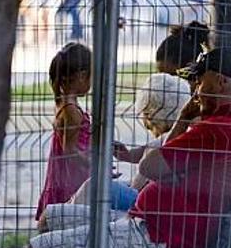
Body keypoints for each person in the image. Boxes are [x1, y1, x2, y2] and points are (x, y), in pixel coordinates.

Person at [19, 49, 231, 248]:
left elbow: (149, 167)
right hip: (155, 229)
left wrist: (181, 124)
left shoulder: (219, 129)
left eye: (199, 82)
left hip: (160, 242)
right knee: (52, 217)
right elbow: (161, 167)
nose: (196, 91)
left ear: (219, 81)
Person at [63, 73, 192, 213]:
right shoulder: (180, 135)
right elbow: (147, 150)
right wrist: (127, 155)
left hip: (144, 202)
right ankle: (70, 210)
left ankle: (68, 214)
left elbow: (136, 188)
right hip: (156, 199)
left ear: (148, 113)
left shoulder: (163, 143)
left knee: (93, 186)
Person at [35, 43, 93, 220]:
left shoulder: (64, 103)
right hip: (71, 178)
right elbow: (69, 151)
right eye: (92, 75)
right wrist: (95, 165)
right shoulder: (71, 110)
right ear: (82, 76)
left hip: (65, 175)